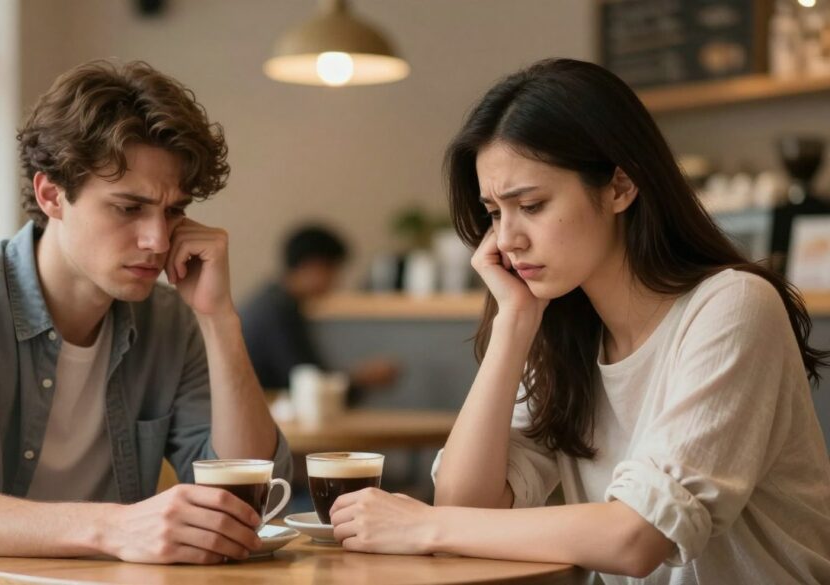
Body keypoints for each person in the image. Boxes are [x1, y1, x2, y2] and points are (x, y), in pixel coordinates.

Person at [326, 58, 830, 583]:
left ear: (619, 187)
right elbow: (468, 501)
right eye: (495, 213)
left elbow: (637, 537)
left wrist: (426, 526)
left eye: (533, 205)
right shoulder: (562, 330)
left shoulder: (733, 306)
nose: (506, 239)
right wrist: (513, 325)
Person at [0, 60, 292, 585]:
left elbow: (252, 497)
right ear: (52, 194)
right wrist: (118, 528)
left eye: (173, 211)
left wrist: (219, 319)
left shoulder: (171, 321)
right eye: (128, 208)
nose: (159, 240)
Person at [240, 225, 398, 398]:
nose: (336, 283)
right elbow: (305, 382)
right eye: (332, 271)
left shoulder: (274, 302)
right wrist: (362, 378)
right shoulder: (276, 311)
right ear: (312, 265)